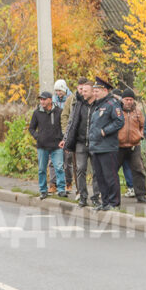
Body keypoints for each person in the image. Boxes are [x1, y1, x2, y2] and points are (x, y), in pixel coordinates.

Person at [86, 76, 124, 210]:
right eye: (94, 91)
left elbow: (119, 121)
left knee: (110, 176)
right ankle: (105, 202)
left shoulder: (112, 104)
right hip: (96, 147)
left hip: (107, 147)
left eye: (97, 91)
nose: (94, 93)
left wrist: (104, 131)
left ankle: (114, 203)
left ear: (105, 91)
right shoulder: (98, 105)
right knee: (100, 177)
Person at [60, 78, 96, 207]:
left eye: (86, 91)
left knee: (96, 170)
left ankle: (96, 196)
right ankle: (82, 195)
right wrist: (66, 138)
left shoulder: (98, 105)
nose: (83, 93)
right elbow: (71, 121)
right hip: (80, 142)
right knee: (80, 169)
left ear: (93, 91)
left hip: (94, 142)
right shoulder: (77, 103)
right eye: (82, 90)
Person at [28, 91, 68, 199]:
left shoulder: (59, 111)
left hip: (56, 145)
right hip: (42, 146)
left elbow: (64, 126)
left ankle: (61, 189)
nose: (42, 101)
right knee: (41, 169)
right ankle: (43, 190)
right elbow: (31, 128)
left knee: (59, 167)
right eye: (40, 99)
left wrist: (63, 138)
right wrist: (38, 137)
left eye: (44, 99)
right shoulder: (37, 113)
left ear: (50, 100)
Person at [116, 88, 146, 204]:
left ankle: (141, 195)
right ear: (122, 99)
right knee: (112, 170)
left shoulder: (138, 112)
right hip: (119, 146)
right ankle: (112, 195)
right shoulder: (116, 111)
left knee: (138, 170)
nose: (129, 102)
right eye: (126, 99)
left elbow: (143, 125)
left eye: (131, 99)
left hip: (134, 145)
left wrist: (141, 135)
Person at [47, 79, 71, 194]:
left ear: (64, 89)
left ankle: (68, 182)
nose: (58, 93)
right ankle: (53, 183)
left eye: (60, 91)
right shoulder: (53, 100)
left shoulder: (71, 99)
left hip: (66, 133)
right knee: (52, 160)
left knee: (66, 161)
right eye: (56, 91)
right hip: (54, 133)